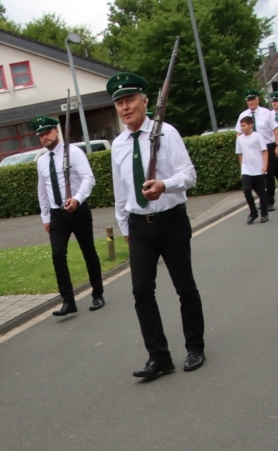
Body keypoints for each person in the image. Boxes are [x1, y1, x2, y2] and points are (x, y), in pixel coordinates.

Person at [108, 72, 205, 379]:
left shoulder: (167, 133)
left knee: (184, 287)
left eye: (130, 100)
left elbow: (189, 175)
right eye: (120, 103)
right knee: (141, 291)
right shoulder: (118, 145)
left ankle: (195, 347)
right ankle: (159, 357)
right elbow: (121, 191)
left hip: (171, 220)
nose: (125, 107)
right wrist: (124, 226)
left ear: (145, 101)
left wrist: (165, 185)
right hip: (139, 226)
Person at [31, 115, 105, 316]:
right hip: (57, 215)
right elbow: (42, 190)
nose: (45, 137)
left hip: (78, 210)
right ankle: (68, 301)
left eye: (47, 132)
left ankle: (97, 294)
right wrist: (45, 217)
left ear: (56, 131)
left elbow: (88, 178)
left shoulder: (73, 153)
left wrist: (77, 199)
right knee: (57, 255)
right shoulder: (42, 161)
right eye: (41, 135)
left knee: (88, 252)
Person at [238, 90, 278, 211]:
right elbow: (239, 133)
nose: (250, 102)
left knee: (269, 175)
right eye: (248, 100)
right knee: (254, 179)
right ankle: (263, 199)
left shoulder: (266, 113)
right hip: (252, 149)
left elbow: (275, 129)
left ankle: (270, 201)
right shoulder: (243, 115)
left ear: (257, 100)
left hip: (267, 146)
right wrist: (240, 146)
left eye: (252, 99)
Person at [235, 116, 269, 224]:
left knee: (261, 192)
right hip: (247, 169)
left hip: (258, 168)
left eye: (244, 125)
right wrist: (242, 168)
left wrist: (265, 165)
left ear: (250, 125)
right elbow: (240, 154)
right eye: (241, 126)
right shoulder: (239, 139)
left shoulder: (258, 136)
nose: (242, 128)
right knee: (246, 190)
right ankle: (253, 212)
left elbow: (265, 151)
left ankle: (264, 213)